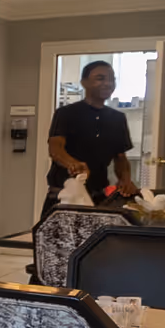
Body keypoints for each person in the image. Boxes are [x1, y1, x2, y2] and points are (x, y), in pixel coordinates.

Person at [42, 60, 134, 216]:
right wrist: (72, 163)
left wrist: (125, 179)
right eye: (100, 78)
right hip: (64, 198)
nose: (108, 83)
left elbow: (120, 157)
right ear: (84, 82)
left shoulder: (118, 118)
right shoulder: (66, 113)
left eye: (111, 79)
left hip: (99, 199)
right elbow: (55, 148)